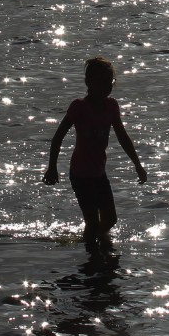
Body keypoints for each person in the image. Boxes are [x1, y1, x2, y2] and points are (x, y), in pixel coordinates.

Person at [43, 56, 147, 253]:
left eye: (110, 82)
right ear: (88, 82)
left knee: (110, 220)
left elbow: (123, 137)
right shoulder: (79, 107)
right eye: (101, 82)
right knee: (91, 221)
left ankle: (96, 244)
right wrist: (52, 167)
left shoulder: (111, 106)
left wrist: (137, 164)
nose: (107, 86)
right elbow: (58, 137)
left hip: (99, 173)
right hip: (81, 175)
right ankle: (91, 259)